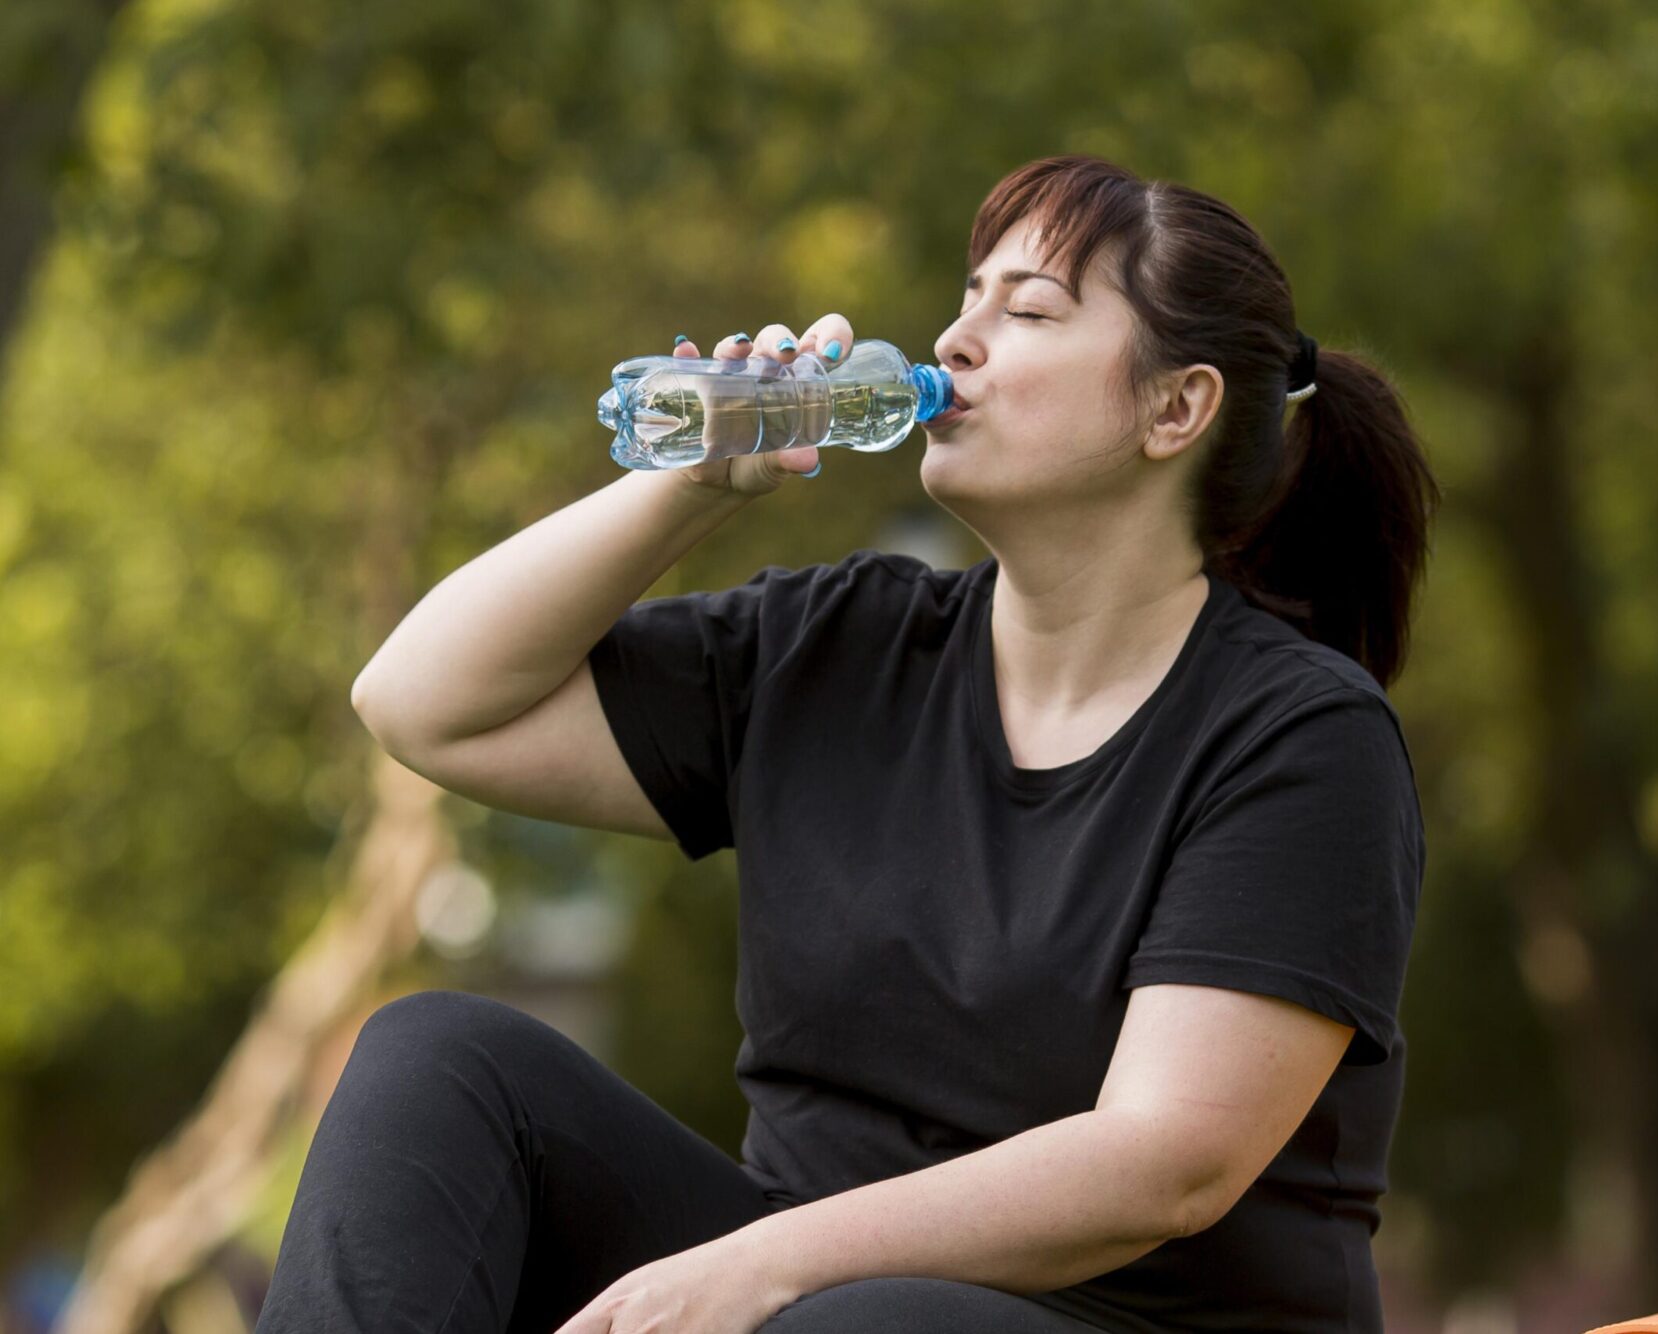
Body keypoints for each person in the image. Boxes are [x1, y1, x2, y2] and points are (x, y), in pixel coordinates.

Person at [261, 153, 1441, 1333]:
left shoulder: (1299, 737)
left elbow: (1164, 1160)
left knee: (855, 1321)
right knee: (438, 1058)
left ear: (1174, 407)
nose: (959, 340)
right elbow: (424, 702)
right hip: (809, 1293)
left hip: (1100, 1321)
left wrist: (765, 1263)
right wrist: (695, 484)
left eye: (1027, 311)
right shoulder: (845, 643)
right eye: (968, 297)